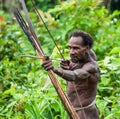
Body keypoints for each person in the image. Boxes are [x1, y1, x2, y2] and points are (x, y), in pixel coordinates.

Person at [42, 30, 100, 119]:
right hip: (73, 110)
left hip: (85, 114)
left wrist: (54, 69)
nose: (71, 52)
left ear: (87, 48)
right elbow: (74, 67)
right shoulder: (82, 56)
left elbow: (75, 75)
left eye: (76, 48)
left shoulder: (91, 66)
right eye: (70, 48)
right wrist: (67, 65)